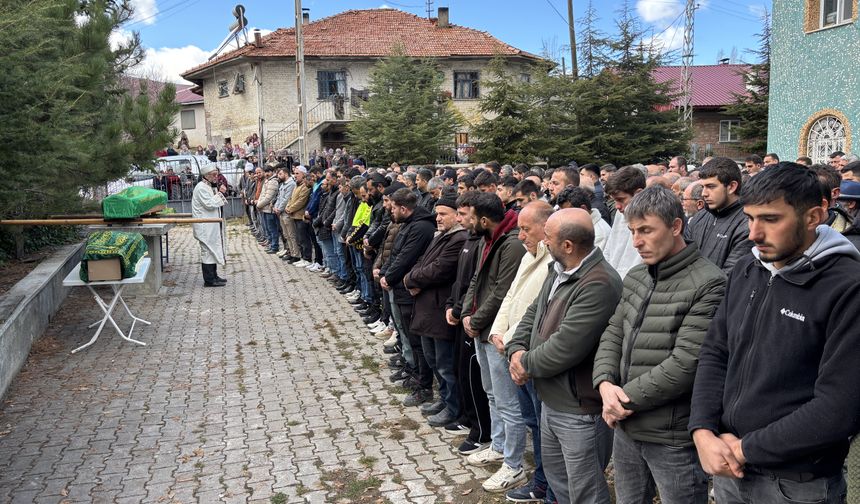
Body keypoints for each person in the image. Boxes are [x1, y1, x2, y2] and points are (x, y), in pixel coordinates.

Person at [689, 163, 860, 504]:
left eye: (770, 219)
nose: (753, 233)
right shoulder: (748, 268)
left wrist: (748, 448)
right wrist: (703, 431)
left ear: (813, 217)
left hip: (796, 484)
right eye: (750, 218)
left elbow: (840, 406)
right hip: (728, 469)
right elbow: (715, 352)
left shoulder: (847, 287)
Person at [593, 185, 727, 504]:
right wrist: (604, 383)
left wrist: (622, 399)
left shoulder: (709, 283)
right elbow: (615, 330)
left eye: (646, 230)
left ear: (676, 226)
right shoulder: (638, 275)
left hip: (672, 435)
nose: (636, 241)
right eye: (632, 231)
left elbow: (687, 362)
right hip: (627, 425)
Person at [506, 208, 623, 504]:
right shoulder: (557, 270)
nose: (543, 242)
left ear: (568, 246)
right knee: (560, 485)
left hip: (578, 410)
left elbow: (566, 347)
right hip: (552, 400)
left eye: (548, 237)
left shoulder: (599, 283)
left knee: (586, 491)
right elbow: (534, 313)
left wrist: (524, 364)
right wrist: (516, 347)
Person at [460, 193, 527, 485]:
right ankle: (498, 446)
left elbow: (502, 292)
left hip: (495, 332)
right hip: (481, 328)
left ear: (484, 220)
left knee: (508, 402)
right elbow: (477, 280)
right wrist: (465, 313)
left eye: (471, 217)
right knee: (491, 394)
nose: (468, 222)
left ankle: (514, 464)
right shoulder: (489, 240)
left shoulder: (511, 244)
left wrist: (475, 321)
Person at [403, 195, 468, 427]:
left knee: (445, 363)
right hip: (428, 309)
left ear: (457, 215)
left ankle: (453, 407)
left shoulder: (459, 238)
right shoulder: (440, 236)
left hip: (440, 310)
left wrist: (411, 279)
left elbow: (440, 269)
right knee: (433, 359)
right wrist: (412, 277)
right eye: (437, 214)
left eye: (443, 214)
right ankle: (443, 398)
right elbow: (422, 262)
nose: (438, 218)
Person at [380, 188, 437, 406]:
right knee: (405, 334)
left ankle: (423, 384)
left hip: (408, 290)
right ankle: (412, 371)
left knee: (415, 340)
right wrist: (385, 272)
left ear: (404, 208)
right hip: (399, 286)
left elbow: (407, 257)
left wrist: (390, 276)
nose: (389, 210)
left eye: (393, 207)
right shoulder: (408, 224)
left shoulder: (421, 227)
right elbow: (395, 253)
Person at [685, 157, 754, 273]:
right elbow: (683, 260)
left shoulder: (748, 224)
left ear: (732, 187)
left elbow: (732, 275)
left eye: (711, 187)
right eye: (703, 187)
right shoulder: (699, 217)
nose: (704, 193)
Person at [603, 166, 646, 279]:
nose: (617, 206)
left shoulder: (651, 219)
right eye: (614, 200)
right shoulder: (620, 214)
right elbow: (610, 249)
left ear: (638, 194)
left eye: (621, 199)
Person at [192, 164, 228, 287]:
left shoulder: (208, 186)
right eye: (214, 175)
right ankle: (209, 280)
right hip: (204, 226)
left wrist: (217, 192)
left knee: (212, 250)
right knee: (207, 251)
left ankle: (214, 276)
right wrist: (220, 193)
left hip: (210, 224)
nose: (216, 177)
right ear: (206, 176)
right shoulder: (201, 187)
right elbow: (209, 204)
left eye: (216, 174)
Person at [556, 186, 611, 251]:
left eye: (568, 213)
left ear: (583, 209)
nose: (565, 218)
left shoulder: (600, 235)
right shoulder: (578, 225)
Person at [255, 165, 280, 253]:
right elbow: (262, 194)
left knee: (272, 229)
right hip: (264, 208)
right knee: (268, 229)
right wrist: (259, 203)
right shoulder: (267, 181)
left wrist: (259, 205)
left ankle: (274, 246)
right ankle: (270, 244)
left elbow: (268, 197)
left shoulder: (273, 181)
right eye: (265, 172)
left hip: (269, 209)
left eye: (268, 172)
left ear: (272, 172)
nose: (266, 174)